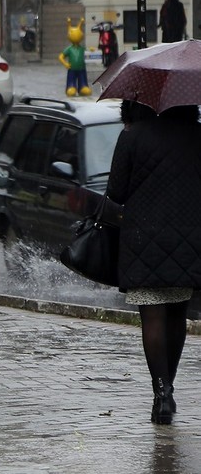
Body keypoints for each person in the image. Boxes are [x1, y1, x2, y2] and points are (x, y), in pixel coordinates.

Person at [105, 103, 201, 425]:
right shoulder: (197, 135)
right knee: (177, 312)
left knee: (154, 314)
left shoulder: (133, 137)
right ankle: (168, 387)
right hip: (189, 239)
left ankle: (162, 392)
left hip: (143, 238)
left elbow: (116, 192)